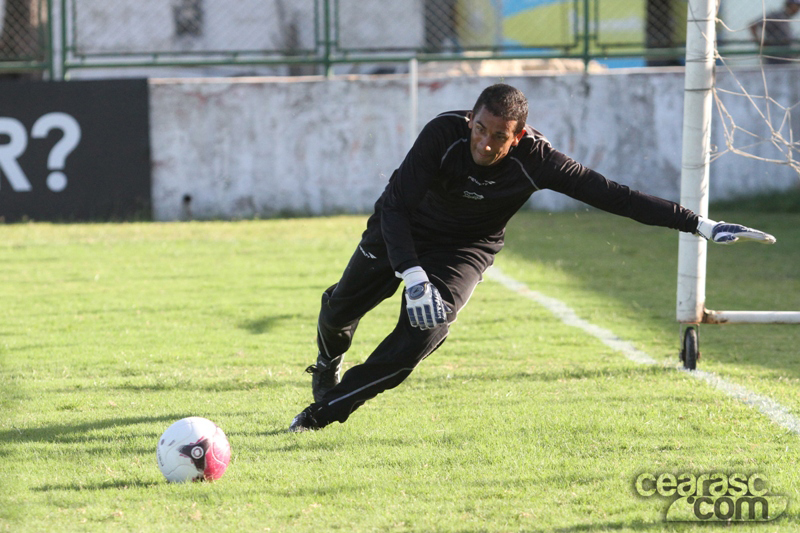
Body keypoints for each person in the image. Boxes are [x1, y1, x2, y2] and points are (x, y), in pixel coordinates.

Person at [289, 83, 776, 432]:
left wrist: (700, 224)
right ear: (470, 120)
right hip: (403, 228)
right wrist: (412, 272)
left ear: (517, 136)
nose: (485, 142)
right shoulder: (443, 134)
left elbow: (616, 196)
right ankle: (327, 362)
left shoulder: (538, 160)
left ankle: (323, 413)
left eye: (498, 136)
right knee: (339, 309)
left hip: (465, 249)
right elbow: (394, 205)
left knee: (425, 332)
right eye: (480, 128)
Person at [749, 0, 800, 64]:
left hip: (785, 57)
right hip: (774, 57)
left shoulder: (786, 17)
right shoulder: (776, 16)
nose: (798, 9)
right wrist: (760, 42)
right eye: (797, 6)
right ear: (790, 5)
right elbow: (753, 25)